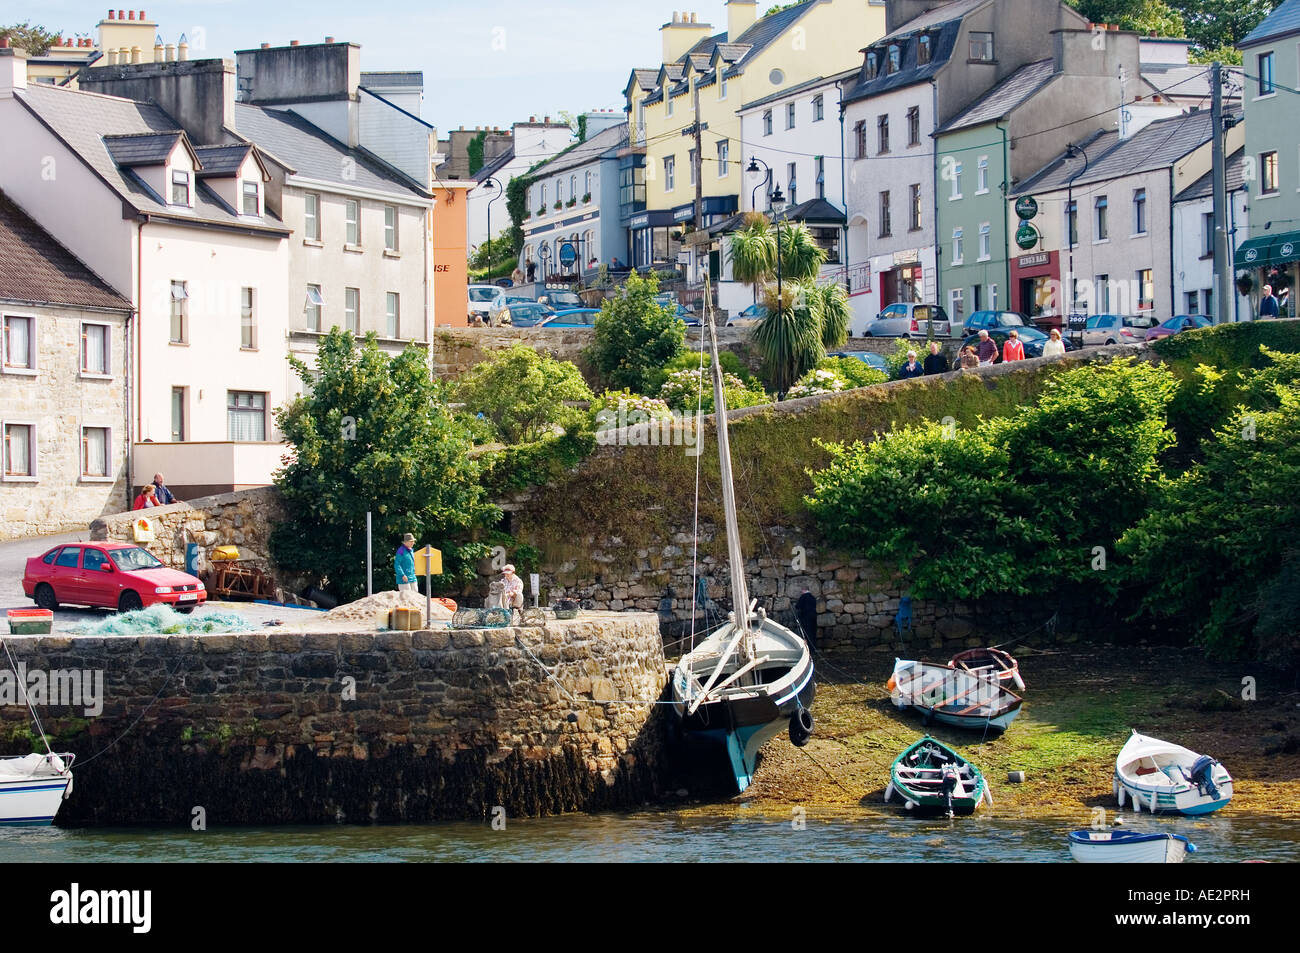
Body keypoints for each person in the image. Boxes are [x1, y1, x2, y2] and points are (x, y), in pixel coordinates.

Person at [795, 587, 818, 652]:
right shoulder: (813, 597)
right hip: (813, 617)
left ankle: (808, 648)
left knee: (807, 632)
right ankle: (813, 648)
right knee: (813, 632)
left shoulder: (804, 597)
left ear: (804, 590)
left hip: (806, 617)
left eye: (802, 590)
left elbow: (798, 606)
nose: (801, 592)